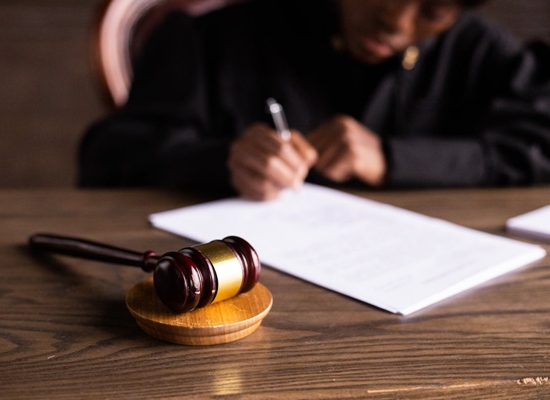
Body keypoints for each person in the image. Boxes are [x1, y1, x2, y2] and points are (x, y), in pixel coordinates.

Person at [79, 0, 550, 200]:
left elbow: (538, 146)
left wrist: (394, 159)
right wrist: (223, 162)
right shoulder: (219, 37)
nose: (396, 21)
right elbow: (109, 156)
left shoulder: (478, 50)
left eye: (432, 10)